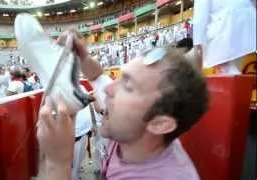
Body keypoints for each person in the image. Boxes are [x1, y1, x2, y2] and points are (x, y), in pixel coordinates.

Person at [36, 31, 209, 180]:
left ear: (160, 124)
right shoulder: (137, 127)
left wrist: (57, 163)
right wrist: (84, 57)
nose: (108, 89)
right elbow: (97, 77)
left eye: (127, 87)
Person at [193, 0, 256, 74]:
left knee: (229, 74)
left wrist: (197, 47)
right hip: (250, 28)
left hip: (228, 34)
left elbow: (199, 19)